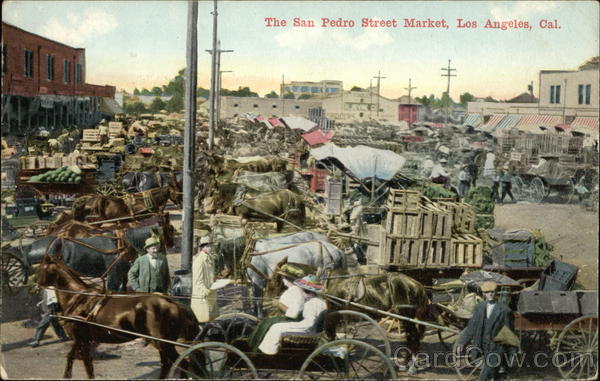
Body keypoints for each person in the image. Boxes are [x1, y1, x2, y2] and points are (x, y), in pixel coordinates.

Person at [456, 281, 515, 381]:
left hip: (496, 347)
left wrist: (511, 352)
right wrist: (462, 342)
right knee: (495, 375)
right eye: (487, 292)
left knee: (486, 374)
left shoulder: (505, 310)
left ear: (496, 293)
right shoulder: (479, 308)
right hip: (481, 345)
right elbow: (471, 328)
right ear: (483, 294)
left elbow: (509, 332)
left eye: (492, 292)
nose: (490, 294)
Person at [258, 275, 327, 355]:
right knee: (278, 326)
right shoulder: (321, 301)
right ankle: (272, 349)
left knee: (276, 327)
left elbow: (309, 322)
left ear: (307, 291)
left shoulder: (311, 303)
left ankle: (270, 352)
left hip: (308, 328)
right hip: (313, 327)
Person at [247, 264, 306, 351]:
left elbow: (293, 313)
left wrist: (278, 304)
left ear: (288, 279)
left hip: (292, 319)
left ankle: (256, 348)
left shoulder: (295, 290)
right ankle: (255, 345)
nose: (282, 280)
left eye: (283, 277)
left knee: (266, 322)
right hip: (290, 317)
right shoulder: (294, 289)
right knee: (266, 321)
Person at [191, 236, 218, 322]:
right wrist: (206, 291)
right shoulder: (199, 261)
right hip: (202, 296)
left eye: (211, 246)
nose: (210, 248)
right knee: (203, 320)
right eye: (208, 246)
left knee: (213, 319)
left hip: (211, 294)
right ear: (203, 248)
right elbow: (197, 281)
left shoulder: (210, 259)